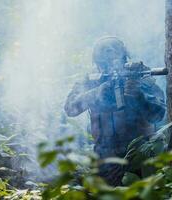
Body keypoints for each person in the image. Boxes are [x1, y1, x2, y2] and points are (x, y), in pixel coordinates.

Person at [64, 36, 166, 184]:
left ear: (124, 58)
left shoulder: (138, 76)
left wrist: (139, 96)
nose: (110, 66)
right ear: (97, 64)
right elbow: (70, 109)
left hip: (139, 154)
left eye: (114, 59)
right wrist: (97, 92)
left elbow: (158, 115)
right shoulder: (91, 81)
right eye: (104, 62)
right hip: (104, 157)